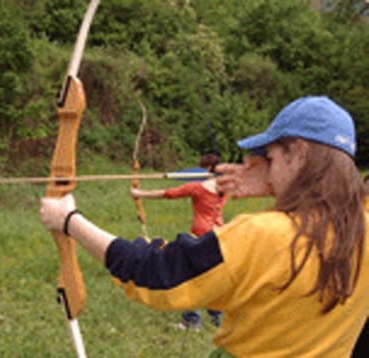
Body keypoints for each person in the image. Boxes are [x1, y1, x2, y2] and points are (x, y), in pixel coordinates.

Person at [40, 96, 368, 357]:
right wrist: (276, 181)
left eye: (270, 155)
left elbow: (155, 273)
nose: (264, 165)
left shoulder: (264, 235)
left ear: (297, 152)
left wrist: (69, 220)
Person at [131, 153, 227, 330]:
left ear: (205, 169)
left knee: (193, 278)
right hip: (219, 236)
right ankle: (218, 320)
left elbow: (168, 193)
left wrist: (140, 193)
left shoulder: (198, 187)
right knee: (212, 277)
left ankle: (192, 321)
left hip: (200, 236)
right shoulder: (225, 188)